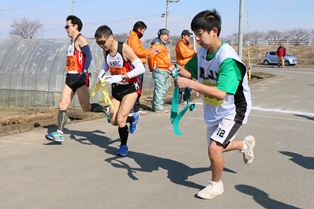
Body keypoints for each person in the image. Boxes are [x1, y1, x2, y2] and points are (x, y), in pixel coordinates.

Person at [168, 9, 255, 199]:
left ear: (214, 31)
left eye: (199, 34)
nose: (196, 39)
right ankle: (244, 145)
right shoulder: (202, 52)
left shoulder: (228, 59)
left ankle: (216, 184)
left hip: (233, 110)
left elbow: (221, 93)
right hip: (213, 109)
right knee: (217, 147)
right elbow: (190, 72)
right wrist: (177, 70)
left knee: (214, 148)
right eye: (195, 34)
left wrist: (190, 84)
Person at [45, 15, 104, 143]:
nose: (66, 29)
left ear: (75, 26)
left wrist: (84, 71)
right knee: (62, 105)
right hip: (70, 76)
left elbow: (88, 56)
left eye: (67, 26)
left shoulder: (81, 39)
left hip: (79, 77)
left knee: (86, 107)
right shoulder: (71, 41)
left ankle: (106, 110)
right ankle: (59, 133)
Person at [95, 25, 145, 156]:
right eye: (98, 42)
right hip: (116, 89)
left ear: (111, 38)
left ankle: (123, 145)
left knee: (121, 120)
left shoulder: (125, 49)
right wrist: (101, 73)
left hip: (130, 88)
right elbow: (106, 63)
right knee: (113, 121)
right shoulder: (105, 50)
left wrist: (123, 76)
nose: (101, 45)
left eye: (102, 42)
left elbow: (141, 68)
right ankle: (133, 118)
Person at [127, 21, 159, 115]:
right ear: (139, 29)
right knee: (135, 88)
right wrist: (150, 52)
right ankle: (133, 108)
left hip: (138, 64)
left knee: (138, 88)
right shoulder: (133, 38)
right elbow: (138, 52)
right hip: (135, 65)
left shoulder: (135, 38)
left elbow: (140, 50)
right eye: (143, 31)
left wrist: (149, 51)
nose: (143, 33)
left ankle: (136, 108)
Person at [148, 28, 171, 113]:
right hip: (159, 68)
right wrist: (151, 67)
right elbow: (151, 57)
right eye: (163, 35)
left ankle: (156, 105)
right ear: (159, 36)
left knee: (160, 88)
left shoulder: (164, 46)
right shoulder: (157, 45)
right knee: (160, 88)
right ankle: (158, 107)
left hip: (164, 68)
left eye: (167, 35)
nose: (166, 37)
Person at [175, 29, 197, 104]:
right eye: (188, 36)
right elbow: (183, 54)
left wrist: (193, 52)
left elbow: (190, 54)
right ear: (183, 36)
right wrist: (193, 52)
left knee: (189, 82)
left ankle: (187, 97)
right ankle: (179, 98)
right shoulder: (180, 44)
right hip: (182, 66)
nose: (189, 37)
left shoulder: (188, 45)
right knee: (181, 83)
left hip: (189, 66)